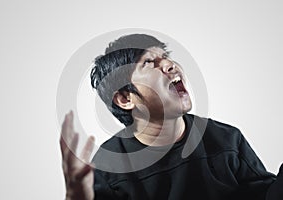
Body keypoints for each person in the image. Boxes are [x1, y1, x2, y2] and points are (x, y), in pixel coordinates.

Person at [60, 34, 283, 200]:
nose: (169, 65)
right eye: (149, 63)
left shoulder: (226, 140)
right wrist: (76, 196)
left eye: (166, 57)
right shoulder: (109, 166)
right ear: (125, 98)